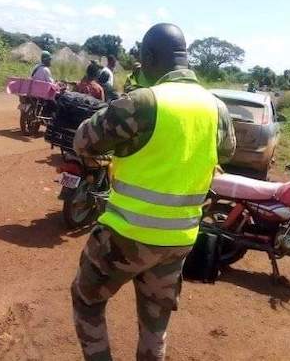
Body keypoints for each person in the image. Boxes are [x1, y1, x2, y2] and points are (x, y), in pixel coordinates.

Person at [71, 23, 236, 361]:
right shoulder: (216, 108)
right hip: (178, 241)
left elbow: (83, 141)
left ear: (148, 57)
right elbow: (226, 153)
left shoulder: (143, 102)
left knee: (86, 300)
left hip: (126, 235)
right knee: (155, 324)